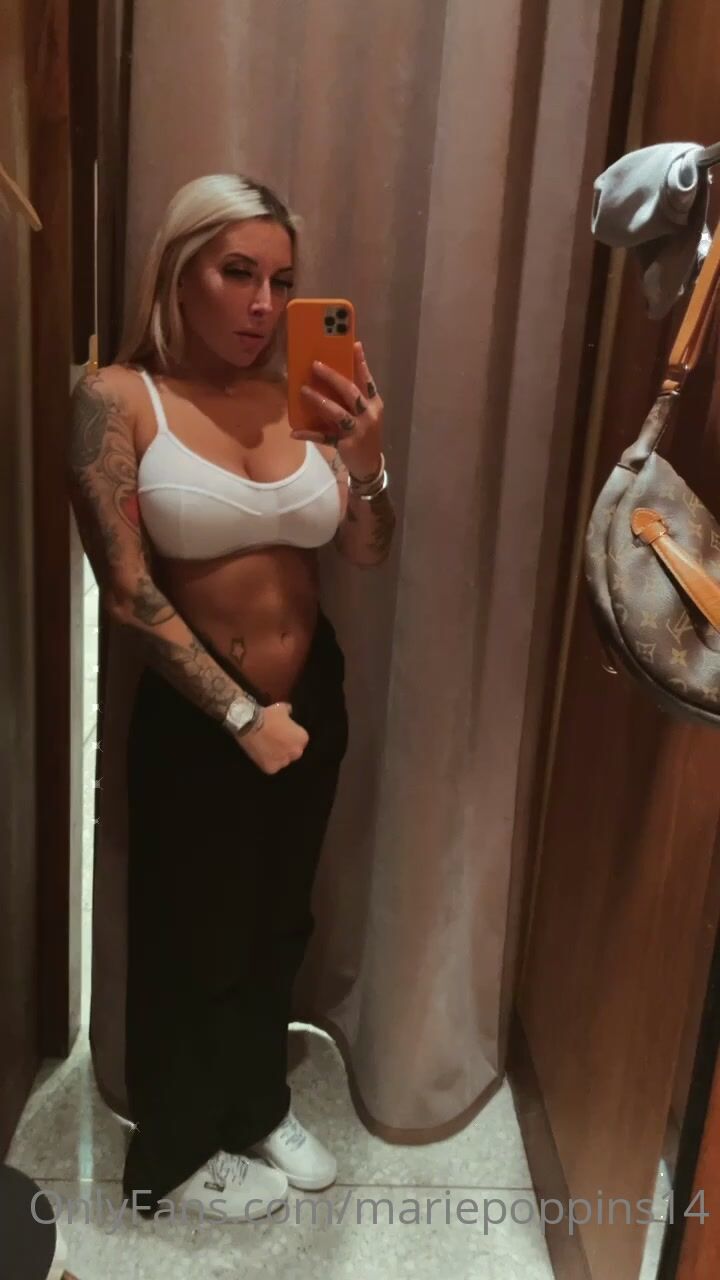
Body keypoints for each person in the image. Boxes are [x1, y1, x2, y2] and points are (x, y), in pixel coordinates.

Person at [66, 173, 396, 1221]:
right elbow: (127, 592)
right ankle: (173, 1147)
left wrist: (368, 464)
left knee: (278, 918)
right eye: (237, 272)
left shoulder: (301, 395)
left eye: (282, 281)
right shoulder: (118, 397)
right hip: (200, 714)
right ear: (180, 272)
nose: (262, 304)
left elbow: (367, 551)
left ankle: (254, 1100)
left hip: (315, 697)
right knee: (190, 929)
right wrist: (243, 717)